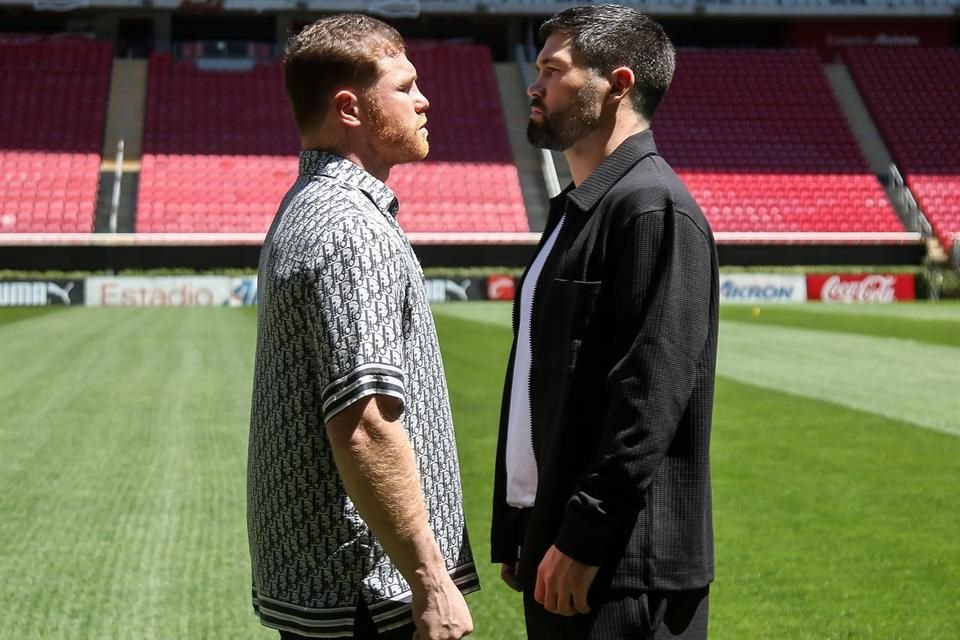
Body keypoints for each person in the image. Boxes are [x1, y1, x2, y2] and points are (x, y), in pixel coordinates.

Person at [490, 5, 719, 639]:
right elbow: (543, 375)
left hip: (619, 569)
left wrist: (586, 536)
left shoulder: (654, 207)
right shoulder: (577, 209)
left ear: (617, 85)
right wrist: (521, 523)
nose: (534, 86)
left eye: (553, 71)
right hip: (561, 547)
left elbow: (649, 394)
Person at [248, 14, 477, 640]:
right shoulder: (348, 227)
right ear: (349, 107)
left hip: (328, 584)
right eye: (404, 88)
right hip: (371, 592)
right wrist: (431, 580)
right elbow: (366, 424)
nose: (424, 101)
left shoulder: (308, 206)